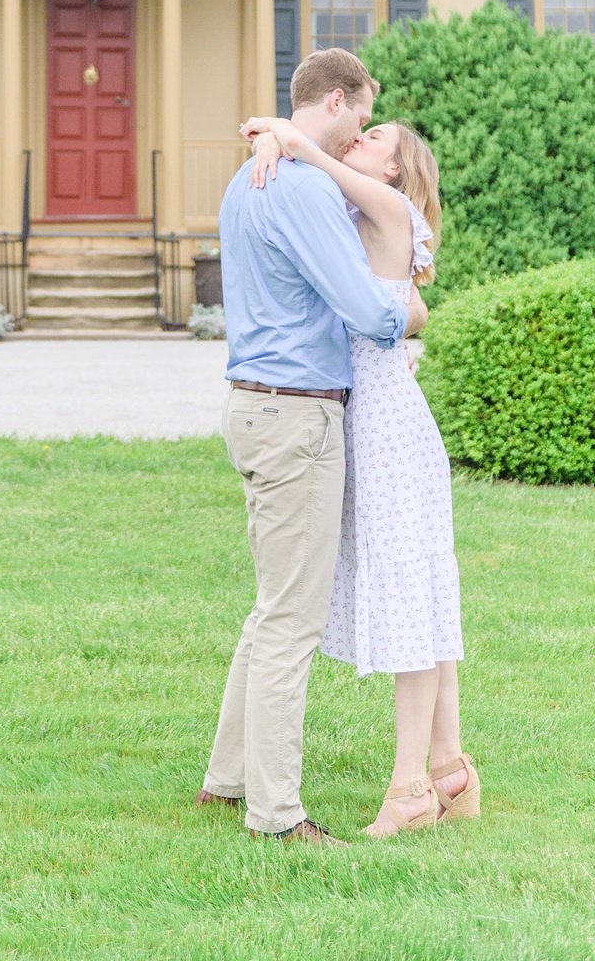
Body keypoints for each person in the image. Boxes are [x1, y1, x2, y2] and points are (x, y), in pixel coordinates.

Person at [198, 47, 425, 846]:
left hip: (255, 408)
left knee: (272, 611)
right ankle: (277, 814)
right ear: (336, 100)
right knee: (292, 620)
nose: (364, 126)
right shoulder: (301, 190)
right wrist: (413, 316)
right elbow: (366, 310)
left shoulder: (249, 178)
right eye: (363, 114)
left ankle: (226, 783)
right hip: (298, 417)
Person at [243, 112, 478, 839]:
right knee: (424, 597)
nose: (364, 139)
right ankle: (449, 771)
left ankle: (409, 789)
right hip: (379, 418)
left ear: (395, 170)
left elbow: (327, 166)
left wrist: (289, 135)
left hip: (384, 431)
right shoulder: (360, 208)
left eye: (378, 138)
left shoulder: (388, 203)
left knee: (410, 600)